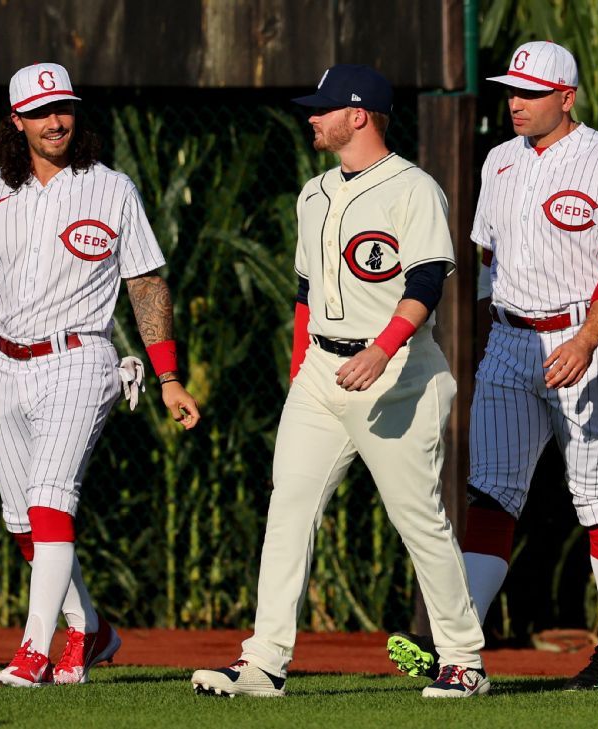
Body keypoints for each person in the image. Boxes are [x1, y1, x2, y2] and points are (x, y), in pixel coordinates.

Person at [190, 64, 488, 699]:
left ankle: (464, 659)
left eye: (323, 108)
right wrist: (303, 366)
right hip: (322, 372)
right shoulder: (314, 192)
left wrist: (382, 350)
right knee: (289, 508)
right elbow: (305, 291)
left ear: (358, 115)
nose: (312, 117)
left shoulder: (414, 188)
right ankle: (263, 663)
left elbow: (427, 283)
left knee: (418, 518)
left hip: (399, 372)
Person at [0, 62, 202, 687]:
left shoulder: (111, 188)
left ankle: (35, 648)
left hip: (81, 357)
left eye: (63, 107)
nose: (55, 121)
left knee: (49, 498)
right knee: (22, 522)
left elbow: (145, 283)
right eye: (40, 112)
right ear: (17, 121)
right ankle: (90, 629)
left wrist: (168, 375)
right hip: (4, 364)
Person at [387, 40, 598, 690]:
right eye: (511, 91)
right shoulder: (501, 161)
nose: (516, 103)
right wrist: (486, 343)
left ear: (567, 97)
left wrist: (590, 337)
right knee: (491, 494)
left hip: (580, 340)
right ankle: (460, 645)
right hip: (510, 340)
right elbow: (486, 264)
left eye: (531, 93)